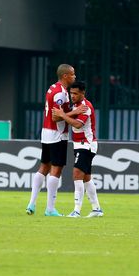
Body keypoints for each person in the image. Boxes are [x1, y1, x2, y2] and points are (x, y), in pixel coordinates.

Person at [25, 64, 84, 217]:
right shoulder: (60, 94)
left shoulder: (53, 87)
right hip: (57, 134)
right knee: (56, 169)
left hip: (46, 132)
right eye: (72, 74)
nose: (74, 77)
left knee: (44, 166)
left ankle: (32, 203)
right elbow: (56, 116)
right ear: (65, 76)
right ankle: (50, 209)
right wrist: (75, 111)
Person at [52, 81, 104, 218]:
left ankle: (76, 211)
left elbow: (77, 124)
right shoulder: (74, 106)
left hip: (86, 144)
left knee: (76, 173)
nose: (72, 96)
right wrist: (65, 113)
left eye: (75, 93)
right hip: (79, 144)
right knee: (86, 177)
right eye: (71, 93)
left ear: (83, 93)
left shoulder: (85, 107)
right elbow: (55, 117)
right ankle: (97, 209)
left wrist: (63, 114)